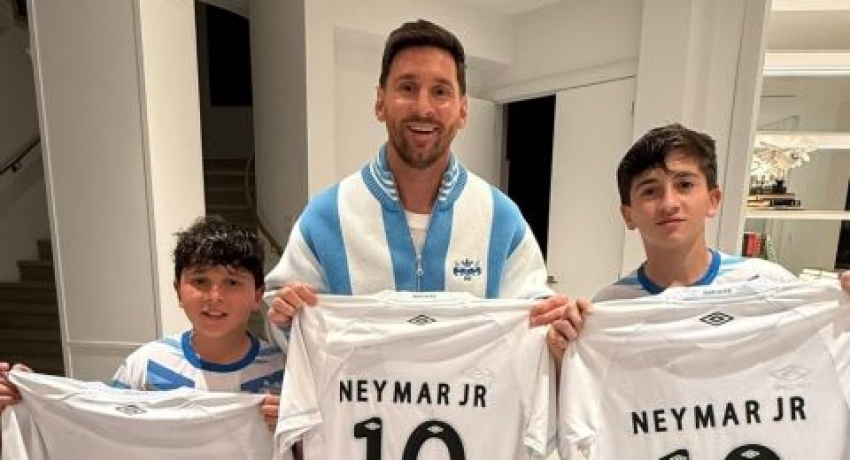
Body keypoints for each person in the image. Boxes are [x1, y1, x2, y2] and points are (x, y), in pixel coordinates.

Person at [264, 19, 587, 355]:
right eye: (407, 88)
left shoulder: (501, 219)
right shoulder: (326, 216)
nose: (423, 108)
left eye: (440, 91)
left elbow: (535, 324)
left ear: (462, 110)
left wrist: (557, 331)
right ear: (380, 102)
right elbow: (284, 329)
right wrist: (286, 319)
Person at [0, 216, 283, 430]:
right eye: (200, 281)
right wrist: (30, 394)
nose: (214, 296)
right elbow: (99, 426)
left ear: (258, 295)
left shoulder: (284, 370)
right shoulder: (147, 365)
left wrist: (294, 424)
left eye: (232, 282)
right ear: (178, 291)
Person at [594, 122, 850, 301]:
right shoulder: (609, 307)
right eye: (650, 191)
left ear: (713, 200)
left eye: (685, 185)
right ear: (628, 215)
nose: (669, 203)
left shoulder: (768, 282)